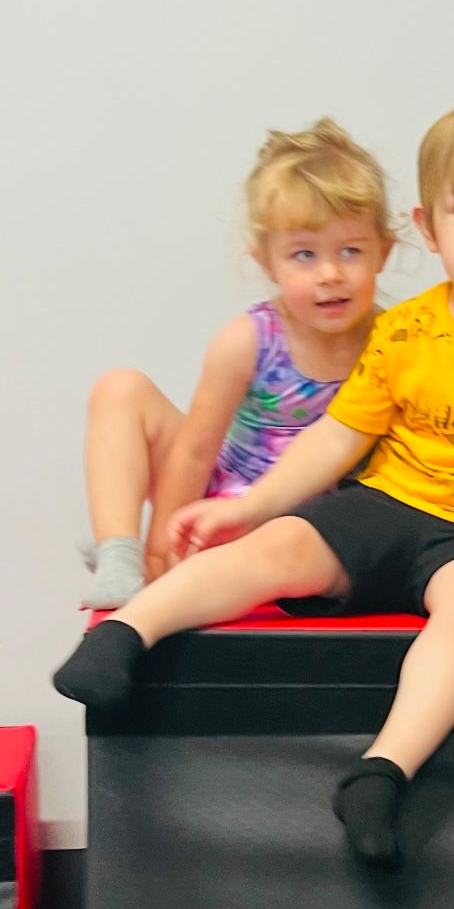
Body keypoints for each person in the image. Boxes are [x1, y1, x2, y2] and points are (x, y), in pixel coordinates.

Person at [54, 94, 454, 865]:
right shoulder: (405, 331)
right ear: (428, 230)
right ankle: (127, 633)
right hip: (388, 502)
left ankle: (382, 771)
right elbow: (335, 438)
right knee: (280, 545)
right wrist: (249, 504)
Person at [81, 119, 394, 608]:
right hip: (225, 503)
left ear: (384, 252)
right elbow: (194, 451)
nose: (330, 274)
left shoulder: (397, 340)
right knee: (119, 389)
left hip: (318, 529)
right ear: (267, 262)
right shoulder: (250, 339)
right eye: (304, 255)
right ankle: (123, 556)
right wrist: (164, 555)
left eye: (350, 251)